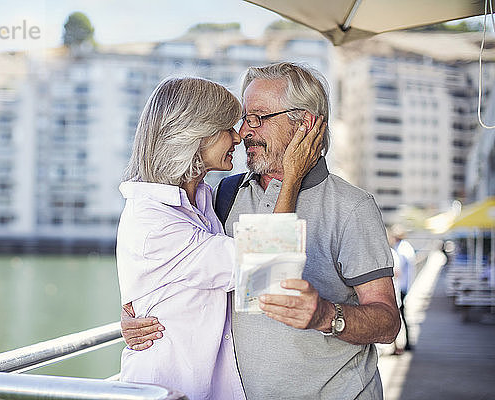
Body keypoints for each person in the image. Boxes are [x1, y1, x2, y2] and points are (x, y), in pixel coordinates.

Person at [121, 62, 400, 399]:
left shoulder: (352, 207)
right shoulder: (224, 194)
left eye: (256, 118)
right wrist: (136, 311)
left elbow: (387, 324)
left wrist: (328, 315)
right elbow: (179, 266)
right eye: (240, 120)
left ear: (304, 124)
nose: (243, 132)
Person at [116, 76, 324, 400]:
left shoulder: (201, 198)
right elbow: (269, 270)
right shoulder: (153, 221)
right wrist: (292, 176)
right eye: (228, 127)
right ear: (195, 135)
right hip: (167, 390)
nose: (239, 136)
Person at [389, 224, 416, 352]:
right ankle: (405, 343)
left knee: (399, 316)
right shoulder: (406, 247)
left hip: (400, 287)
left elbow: (397, 271)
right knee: (402, 316)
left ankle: (403, 344)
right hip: (404, 285)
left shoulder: (401, 249)